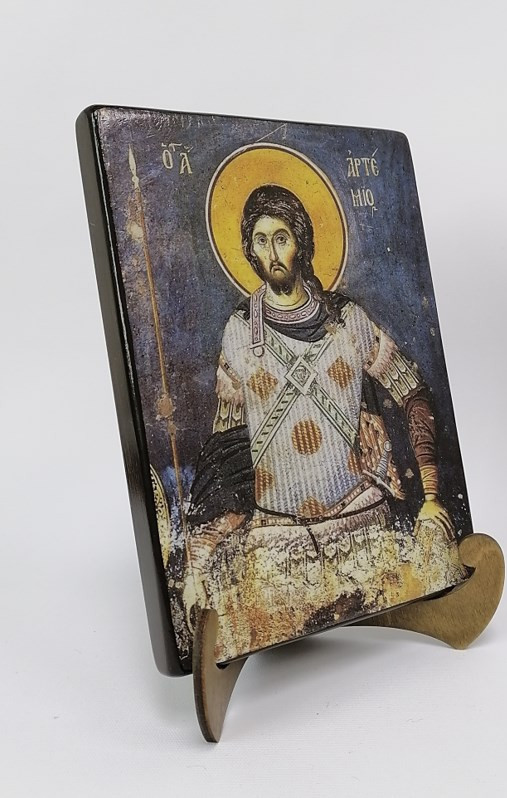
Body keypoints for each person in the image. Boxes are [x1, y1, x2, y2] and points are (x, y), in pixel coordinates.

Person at [183, 184, 466, 662]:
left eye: (282, 238)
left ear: (302, 242)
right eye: (260, 241)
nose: (273, 253)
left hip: (363, 524)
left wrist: (432, 496)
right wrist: (204, 551)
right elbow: (226, 453)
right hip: (279, 541)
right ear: (249, 250)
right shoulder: (239, 333)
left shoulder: (347, 319)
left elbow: (413, 395)